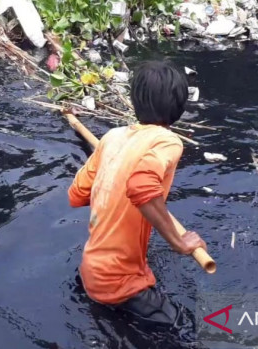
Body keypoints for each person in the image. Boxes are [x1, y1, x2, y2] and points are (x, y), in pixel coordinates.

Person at [68, 61, 206, 327]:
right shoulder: (167, 141)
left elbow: (76, 195)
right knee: (189, 329)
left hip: (89, 273)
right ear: (179, 106)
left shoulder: (112, 137)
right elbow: (141, 186)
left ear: (134, 101)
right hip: (120, 283)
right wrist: (179, 243)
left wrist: (112, 178)